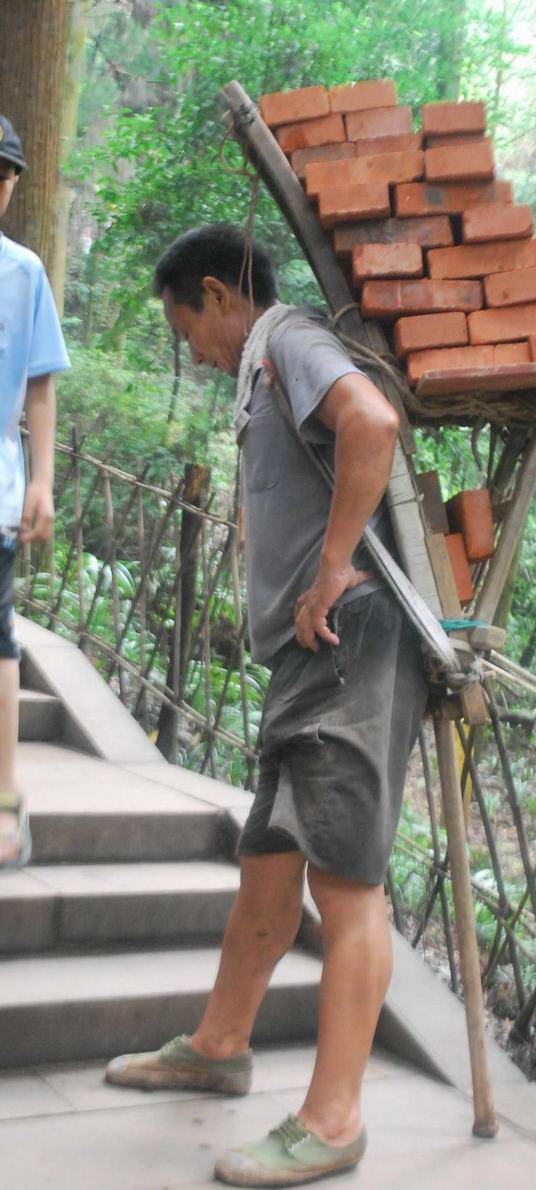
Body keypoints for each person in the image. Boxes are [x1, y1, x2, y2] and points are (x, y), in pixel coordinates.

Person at [105, 223, 428, 1186]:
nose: (194, 355)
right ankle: (220, 1044)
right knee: (268, 864)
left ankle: (334, 1119)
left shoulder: (287, 338)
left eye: (187, 331)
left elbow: (372, 422)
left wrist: (330, 569)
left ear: (216, 293)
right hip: (307, 658)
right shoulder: (262, 369)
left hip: (349, 643)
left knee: (345, 883)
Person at [0, 116, 71, 868]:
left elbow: (40, 386)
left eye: (2, 176)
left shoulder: (23, 273)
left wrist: (43, 481)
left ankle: (4, 800)